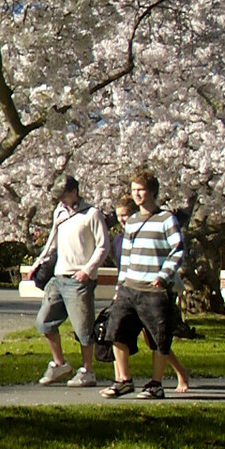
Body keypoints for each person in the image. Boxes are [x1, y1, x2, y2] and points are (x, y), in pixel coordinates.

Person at [100, 169, 184, 400]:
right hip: (130, 287)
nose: (137, 194)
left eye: (141, 190)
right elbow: (126, 257)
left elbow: (178, 249)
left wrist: (164, 276)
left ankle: (156, 384)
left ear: (153, 192)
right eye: (134, 190)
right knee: (115, 332)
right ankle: (123, 380)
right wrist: (120, 286)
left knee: (158, 338)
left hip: (154, 290)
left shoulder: (166, 219)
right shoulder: (133, 221)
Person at [32, 176, 108, 388]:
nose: (61, 200)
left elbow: (103, 246)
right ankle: (60, 364)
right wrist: (39, 262)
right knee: (44, 322)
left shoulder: (92, 214)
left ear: (74, 192)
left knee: (83, 329)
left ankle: (87, 371)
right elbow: (52, 241)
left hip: (79, 279)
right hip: (59, 276)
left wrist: (87, 270)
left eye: (64, 195)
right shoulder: (60, 212)